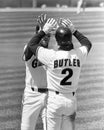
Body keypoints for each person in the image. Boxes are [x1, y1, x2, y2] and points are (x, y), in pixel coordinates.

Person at [26, 17, 92, 130]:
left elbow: (31, 45)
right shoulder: (78, 55)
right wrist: (74, 30)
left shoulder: (51, 56)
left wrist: (44, 31)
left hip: (55, 101)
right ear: (70, 40)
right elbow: (87, 43)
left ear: (57, 41)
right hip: (71, 101)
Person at [21, 14, 51, 130]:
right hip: (31, 95)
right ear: (37, 34)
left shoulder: (52, 52)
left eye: (48, 35)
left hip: (50, 96)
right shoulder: (28, 49)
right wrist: (42, 31)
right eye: (43, 34)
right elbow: (28, 50)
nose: (46, 37)